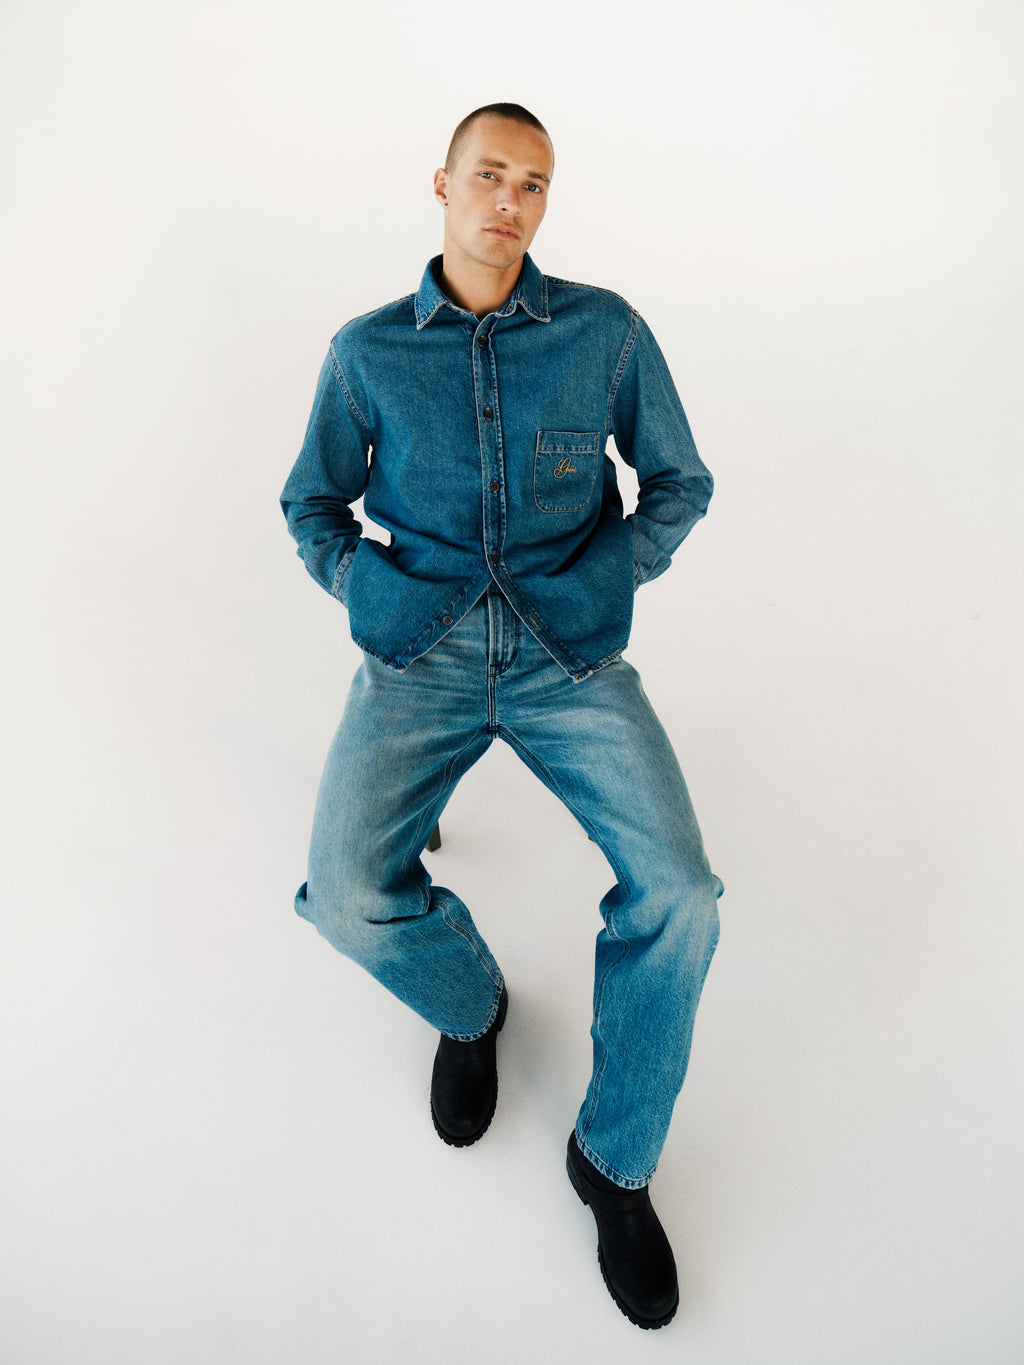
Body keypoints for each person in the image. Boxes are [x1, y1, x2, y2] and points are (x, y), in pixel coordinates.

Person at [281, 102, 723, 1330]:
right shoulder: (367, 353)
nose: (509, 202)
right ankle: (470, 1005)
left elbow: (678, 482)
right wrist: (371, 592)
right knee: (345, 895)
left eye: (532, 184)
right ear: (441, 185)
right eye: (489, 175)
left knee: (682, 895)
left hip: (562, 656)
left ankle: (612, 1162)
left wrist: (604, 578)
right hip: (418, 653)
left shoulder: (604, 333)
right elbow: (311, 505)